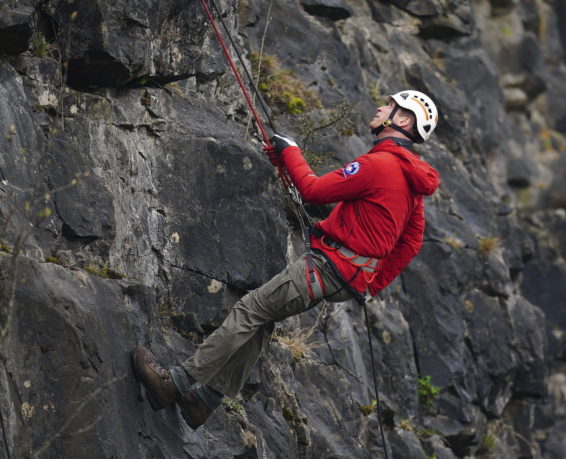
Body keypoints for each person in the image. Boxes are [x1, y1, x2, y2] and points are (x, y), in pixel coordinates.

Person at [132, 90, 440, 429]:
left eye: (390, 106)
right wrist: (372, 285)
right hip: (347, 277)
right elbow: (409, 244)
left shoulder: (379, 164)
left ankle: (173, 384)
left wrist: (290, 150)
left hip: (327, 267)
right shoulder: (413, 183)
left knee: (250, 310)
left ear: (403, 119)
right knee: (262, 319)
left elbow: (313, 191)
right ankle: (203, 402)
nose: (381, 107)